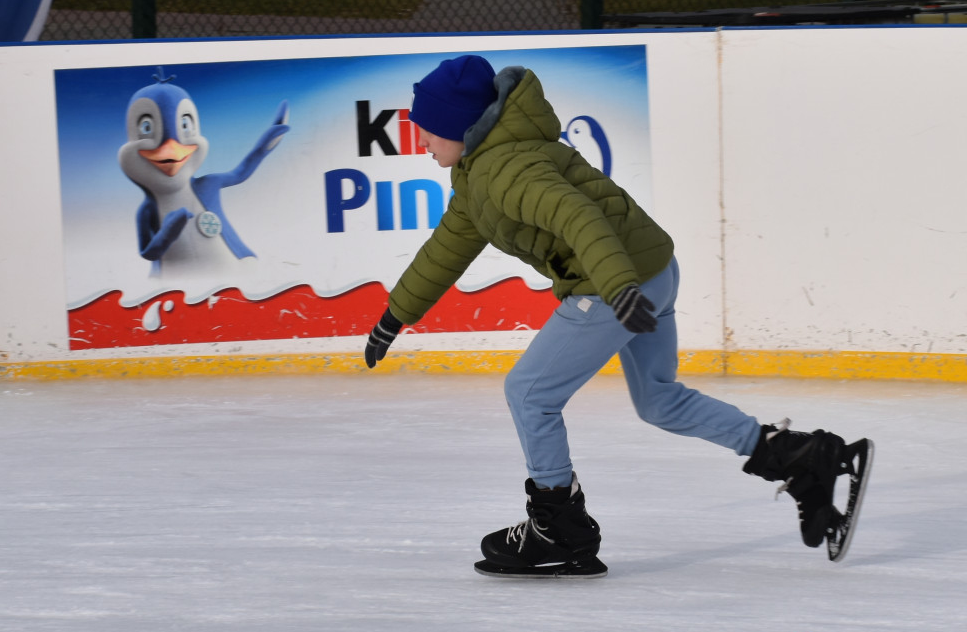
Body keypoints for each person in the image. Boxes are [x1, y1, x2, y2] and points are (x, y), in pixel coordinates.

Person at [363, 55, 872, 577]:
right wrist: (395, 314)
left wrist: (617, 286)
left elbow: (577, 216)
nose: (419, 138)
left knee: (530, 393)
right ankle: (797, 457)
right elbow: (447, 246)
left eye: (426, 127)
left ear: (459, 125)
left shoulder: (505, 171)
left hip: (614, 286)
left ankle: (556, 526)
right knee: (659, 401)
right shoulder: (484, 171)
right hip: (651, 271)